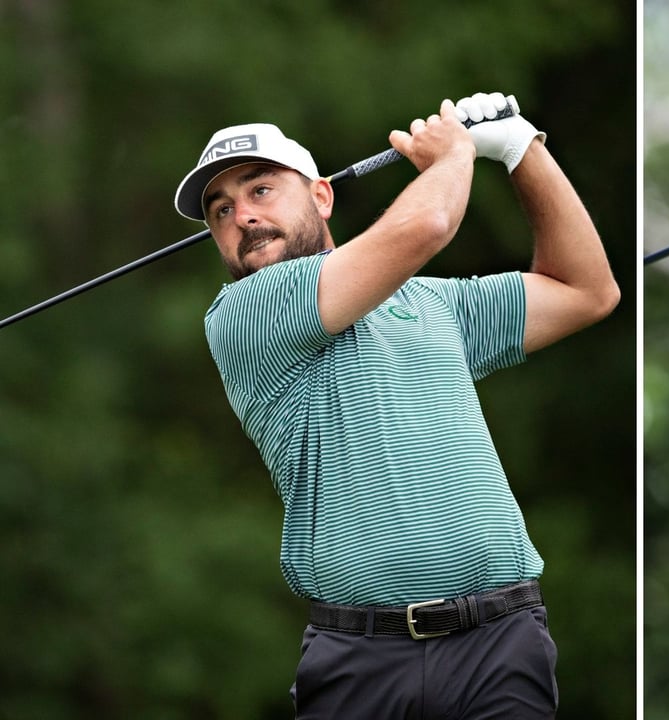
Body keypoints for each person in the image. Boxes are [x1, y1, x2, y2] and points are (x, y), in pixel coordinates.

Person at [173, 92, 619, 718]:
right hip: (359, 658)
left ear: (321, 195)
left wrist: (523, 149)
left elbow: (586, 291)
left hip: (499, 641)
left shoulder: (431, 303)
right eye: (221, 210)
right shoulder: (246, 314)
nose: (242, 215)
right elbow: (427, 226)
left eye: (261, 189)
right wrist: (453, 156)